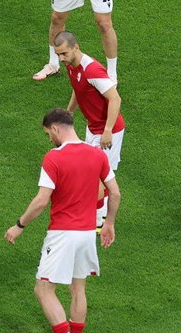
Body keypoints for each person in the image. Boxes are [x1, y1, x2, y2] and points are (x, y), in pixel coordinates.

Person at [5, 108, 120, 333]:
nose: (49, 140)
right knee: (77, 288)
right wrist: (109, 224)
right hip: (88, 233)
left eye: (48, 134)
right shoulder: (96, 154)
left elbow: (41, 201)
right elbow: (114, 193)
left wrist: (19, 225)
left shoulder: (53, 158)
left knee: (43, 290)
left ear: (55, 128)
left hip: (63, 235)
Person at [53, 31, 126, 229]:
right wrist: (68, 113)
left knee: (97, 176)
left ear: (76, 47)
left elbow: (115, 98)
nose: (61, 59)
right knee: (96, 173)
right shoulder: (72, 66)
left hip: (107, 130)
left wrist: (108, 130)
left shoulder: (92, 70)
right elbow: (79, 90)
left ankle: (98, 220)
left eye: (64, 54)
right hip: (92, 127)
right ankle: (98, 215)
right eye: (58, 55)